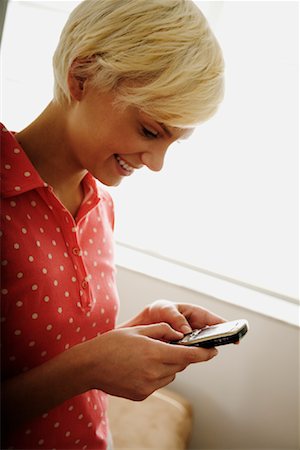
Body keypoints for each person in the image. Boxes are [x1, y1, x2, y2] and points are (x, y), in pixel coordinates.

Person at [0, 0, 225, 448]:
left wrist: (133, 334)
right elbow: (75, 369)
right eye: (149, 130)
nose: (158, 164)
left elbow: (54, 354)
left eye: (174, 141)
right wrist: (92, 365)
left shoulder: (100, 204)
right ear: (80, 77)